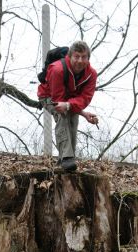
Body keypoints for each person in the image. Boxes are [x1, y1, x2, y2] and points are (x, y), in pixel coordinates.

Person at [38, 41, 98, 171]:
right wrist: (71, 107)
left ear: (88, 59)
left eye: (84, 57)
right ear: (70, 56)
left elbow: (85, 98)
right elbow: (58, 101)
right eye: (76, 56)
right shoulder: (57, 69)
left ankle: (66, 160)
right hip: (48, 96)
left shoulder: (91, 74)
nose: (80, 61)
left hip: (68, 100)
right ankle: (66, 158)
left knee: (73, 117)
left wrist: (80, 112)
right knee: (63, 114)